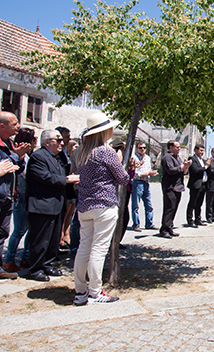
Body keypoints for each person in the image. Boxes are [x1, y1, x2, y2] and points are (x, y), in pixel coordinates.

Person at [73, 112, 128, 305]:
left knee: (84, 248)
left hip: (85, 205)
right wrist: (120, 161)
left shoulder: (81, 151)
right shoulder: (106, 152)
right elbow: (122, 178)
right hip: (104, 204)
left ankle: (80, 291)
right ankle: (95, 292)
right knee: (98, 249)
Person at [24, 130, 79, 282]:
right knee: (40, 239)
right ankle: (35, 269)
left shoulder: (55, 157)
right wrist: (67, 180)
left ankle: (46, 264)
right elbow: (45, 177)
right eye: (58, 140)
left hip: (55, 204)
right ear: (47, 141)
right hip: (41, 205)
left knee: (53, 239)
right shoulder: (38, 157)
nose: (62, 143)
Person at [0, 111, 29, 280]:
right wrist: (15, 156)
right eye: (14, 123)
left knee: (3, 233)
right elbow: (3, 166)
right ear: (2, 126)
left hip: (8, 197)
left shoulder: (8, 144)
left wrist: (19, 158)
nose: (19, 126)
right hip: (1, 196)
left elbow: (14, 169)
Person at [3, 128, 36, 272]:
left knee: (29, 228)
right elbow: (21, 173)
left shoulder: (27, 155)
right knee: (19, 230)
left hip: (27, 195)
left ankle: (25, 258)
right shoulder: (16, 154)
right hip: (21, 195)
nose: (36, 141)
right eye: (33, 138)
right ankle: (9, 260)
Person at [160, 140, 191, 238]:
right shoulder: (167, 157)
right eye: (177, 147)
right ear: (171, 148)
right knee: (169, 208)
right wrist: (182, 166)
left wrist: (186, 167)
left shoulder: (178, 158)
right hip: (170, 187)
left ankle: (169, 227)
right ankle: (164, 229)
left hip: (178, 187)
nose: (179, 149)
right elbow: (170, 170)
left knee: (174, 208)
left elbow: (183, 172)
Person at [131, 142, 158, 231]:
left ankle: (149, 223)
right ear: (137, 149)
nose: (142, 149)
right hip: (138, 183)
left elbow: (148, 169)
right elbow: (135, 173)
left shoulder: (147, 158)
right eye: (140, 148)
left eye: (144, 148)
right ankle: (136, 224)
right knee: (136, 205)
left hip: (146, 182)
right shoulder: (134, 158)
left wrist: (152, 173)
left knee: (149, 204)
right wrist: (147, 173)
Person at [60, 139, 78, 248]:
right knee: (65, 213)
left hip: (72, 185)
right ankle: (61, 236)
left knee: (71, 212)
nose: (75, 148)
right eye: (74, 146)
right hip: (66, 184)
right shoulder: (64, 155)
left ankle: (67, 234)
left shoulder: (71, 157)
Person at [186, 144, 210, 228]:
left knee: (199, 203)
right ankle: (190, 220)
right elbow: (195, 170)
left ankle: (198, 219)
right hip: (195, 185)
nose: (202, 152)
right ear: (195, 150)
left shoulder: (202, 160)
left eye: (203, 151)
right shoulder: (192, 159)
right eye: (200, 150)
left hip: (203, 184)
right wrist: (206, 166)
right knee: (192, 203)